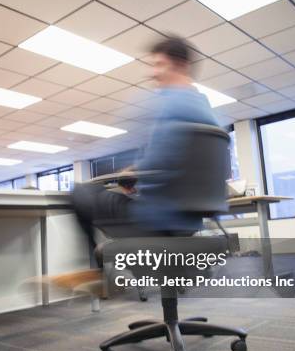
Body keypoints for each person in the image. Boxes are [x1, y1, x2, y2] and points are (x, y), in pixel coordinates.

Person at [72, 35, 218, 247]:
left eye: (159, 64)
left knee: (82, 192)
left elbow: (157, 162)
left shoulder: (171, 106)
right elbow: (173, 161)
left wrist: (129, 173)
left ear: (181, 66)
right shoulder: (207, 111)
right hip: (189, 221)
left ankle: (95, 270)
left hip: (154, 218)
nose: (152, 72)